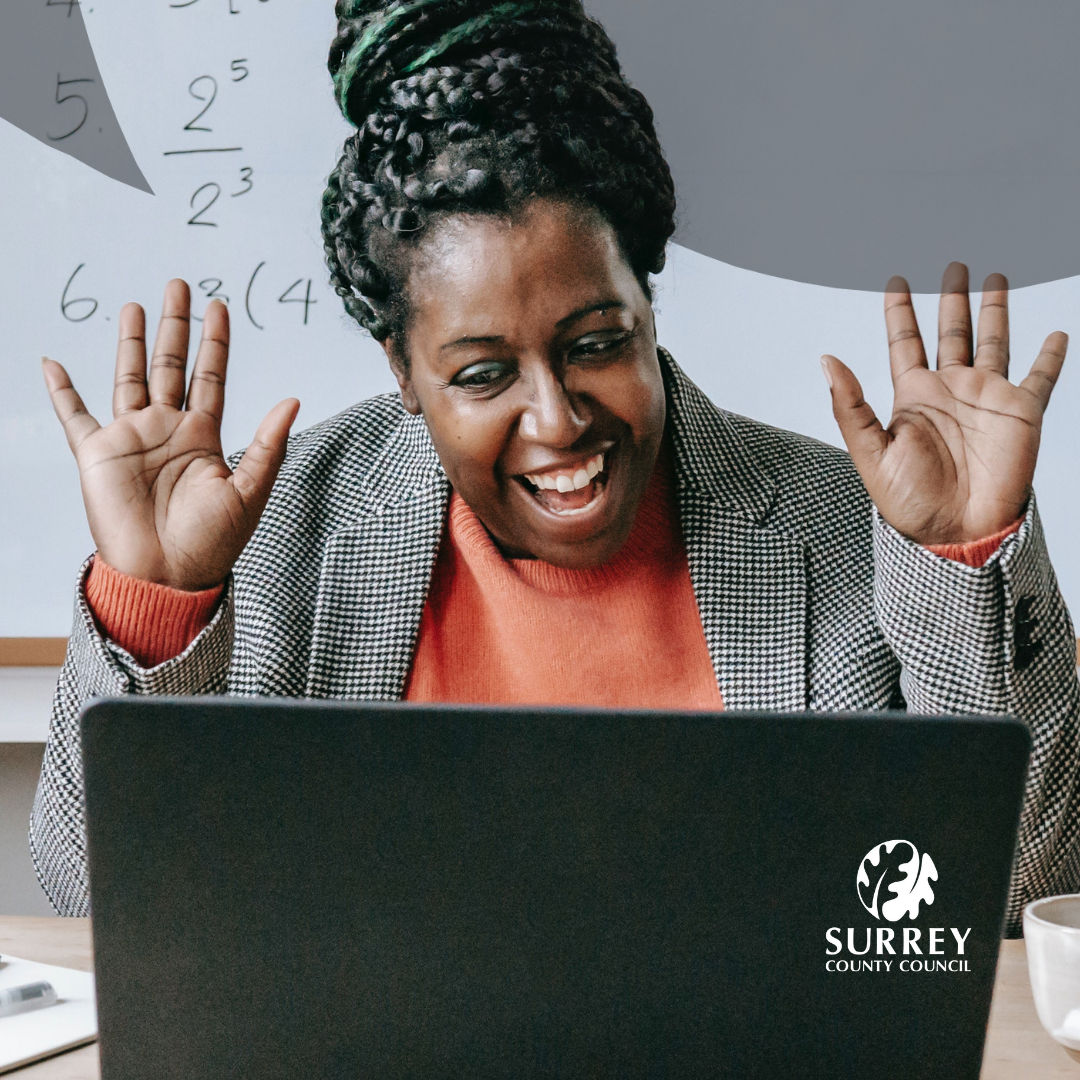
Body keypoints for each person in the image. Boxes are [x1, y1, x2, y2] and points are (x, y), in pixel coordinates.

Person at [32, 0, 1079, 929]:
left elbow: (1017, 900)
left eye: (595, 345)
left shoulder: (847, 528)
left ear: (647, 306)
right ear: (402, 367)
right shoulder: (271, 537)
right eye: (483, 374)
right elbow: (95, 899)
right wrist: (158, 603)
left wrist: (961, 558)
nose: (558, 420)